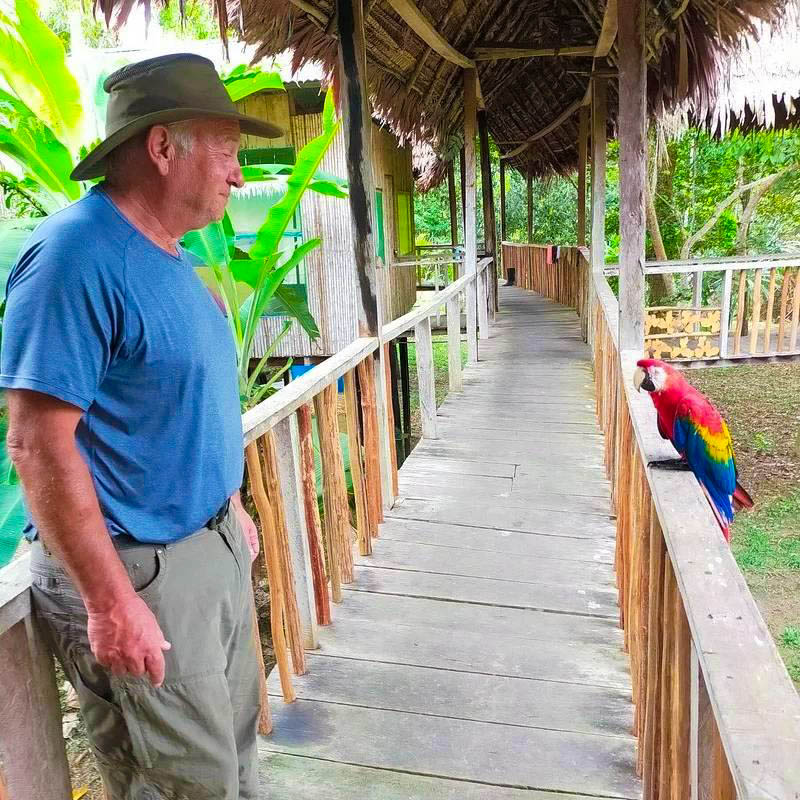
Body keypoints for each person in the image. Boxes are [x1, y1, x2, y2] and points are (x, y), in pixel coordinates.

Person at [0, 53, 283, 799]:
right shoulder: (75, 257)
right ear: (163, 148)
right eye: (226, 148)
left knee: (232, 760)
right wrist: (109, 602)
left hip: (205, 550)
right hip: (139, 574)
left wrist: (230, 510)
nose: (238, 173)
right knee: (187, 784)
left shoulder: (169, 255)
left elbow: (176, 408)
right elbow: (35, 442)